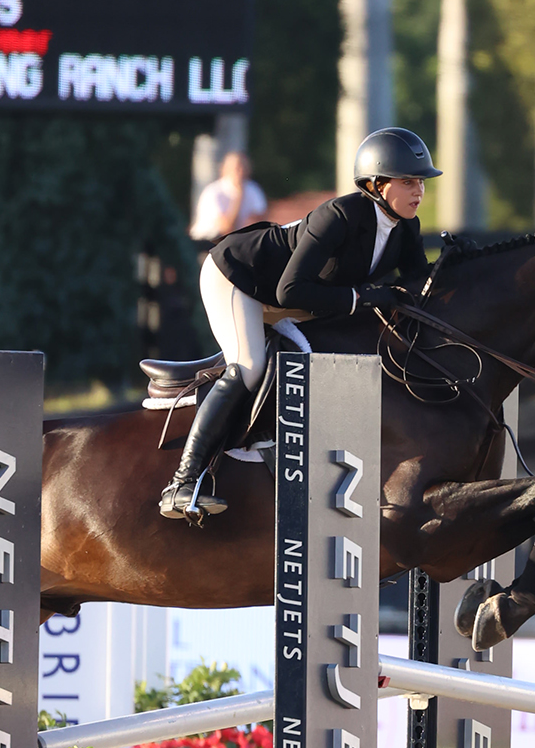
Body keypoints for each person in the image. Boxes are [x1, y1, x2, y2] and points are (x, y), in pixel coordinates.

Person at [159, 127, 441, 519]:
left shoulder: (406, 227)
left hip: (293, 294)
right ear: (376, 184)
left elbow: (416, 287)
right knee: (250, 365)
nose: (418, 191)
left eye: (421, 182)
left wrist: (454, 267)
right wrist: (362, 297)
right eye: (408, 181)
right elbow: (290, 290)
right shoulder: (338, 216)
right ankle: (184, 482)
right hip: (239, 277)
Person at [189, 151, 268, 246]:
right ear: (224, 170)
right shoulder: (213, 192)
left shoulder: (253, 190)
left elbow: (259, 221)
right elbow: (226, 227)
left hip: (236, 241)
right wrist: (238, 197)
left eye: (243, 167)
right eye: (236, 168)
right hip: (207, 242)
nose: (240, 172)